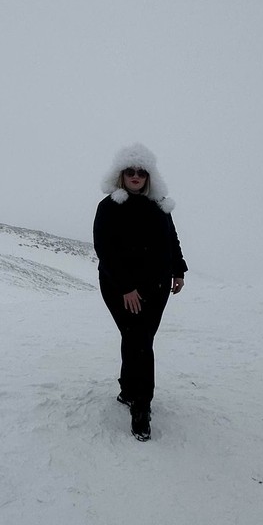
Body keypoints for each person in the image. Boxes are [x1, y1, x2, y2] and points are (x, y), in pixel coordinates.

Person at [93, 143, 187, 441]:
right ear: (121, 175)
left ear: (149, 176)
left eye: (141, 172)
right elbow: (104, 250)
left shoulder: (158, 204)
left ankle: (127, 389)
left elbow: (170, 238)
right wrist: (125, 287)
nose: (136, 176)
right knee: (140, 340)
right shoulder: (109, 207)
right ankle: (141, 408)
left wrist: (178, 269)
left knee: (139, 338)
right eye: (130, 171)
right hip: (118, 286)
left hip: (157, 286)